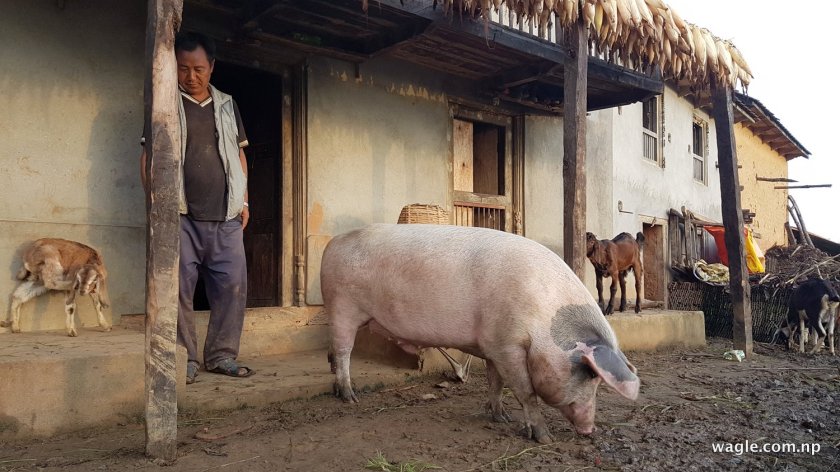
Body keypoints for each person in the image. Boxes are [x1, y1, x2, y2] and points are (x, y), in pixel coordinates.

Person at [140, 31, 254, 384]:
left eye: (199, 68)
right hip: (180, 215)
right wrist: (156, 206)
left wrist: (244, 198)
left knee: (233, 287)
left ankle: (221, 356)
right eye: (184, 68)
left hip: (227, 217)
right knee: (179, 290)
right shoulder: (164, 102)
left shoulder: (226, 103)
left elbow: (239, 154)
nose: (191, 76)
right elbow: (148, 157)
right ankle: (184, 359)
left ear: (212, 67)